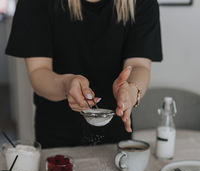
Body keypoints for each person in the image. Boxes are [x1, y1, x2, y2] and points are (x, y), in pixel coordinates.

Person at [6, 0, 162, 148]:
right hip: (56, 131)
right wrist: (66, 85)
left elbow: (139, 65)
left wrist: (131, 90)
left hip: (115, 130)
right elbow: (38, 72)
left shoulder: (141, 3)